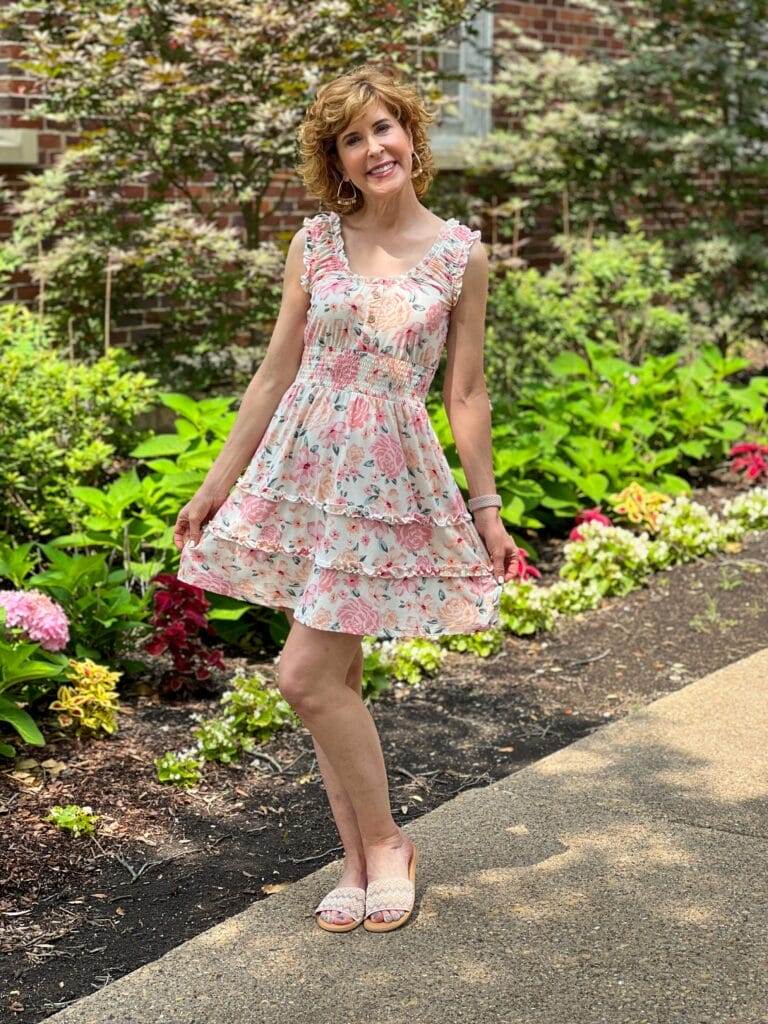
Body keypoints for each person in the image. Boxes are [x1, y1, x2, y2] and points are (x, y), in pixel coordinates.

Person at [173, 63, 520, 934]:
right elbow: (273, 373)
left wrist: (488, 509)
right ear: (337, 157)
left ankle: (388, 844)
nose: (374, 148)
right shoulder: (315, 244)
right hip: (304, 478)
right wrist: (216, 486)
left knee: (303, 674)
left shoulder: (460, 253)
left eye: (385, 128)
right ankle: (359, 859)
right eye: (353, 137)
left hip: (385, 484)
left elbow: (466, 394)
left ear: (412, 136)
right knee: (335, 677)